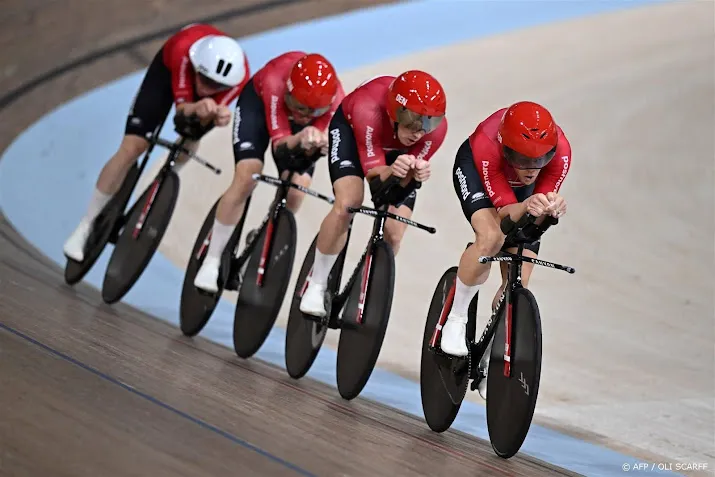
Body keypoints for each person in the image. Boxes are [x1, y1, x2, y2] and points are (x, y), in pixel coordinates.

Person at [63, 23, 250, 262]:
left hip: (206, 82)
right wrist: (199, 106)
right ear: (197, 68)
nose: (206, 88)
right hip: (167, 73)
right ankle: (85, 225)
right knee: (133, 146)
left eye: (216, 86)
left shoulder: (239, 77)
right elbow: (181, 111)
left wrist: (218, 114)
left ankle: (166, 179)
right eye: (204, 79)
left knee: (192, 134)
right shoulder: (183, 53)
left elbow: (206, 113)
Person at [441, 100, 571, 398]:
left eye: (540, 160)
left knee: (518, 283)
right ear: (506, 148)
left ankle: (491, 354)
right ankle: (456, 317)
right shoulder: (488, 146)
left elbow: (537, 204)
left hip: (520, 194)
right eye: (522, 159)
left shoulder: (561, 153)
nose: (531, 168)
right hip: (479, 173)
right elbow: (502, 216)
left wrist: (551, 207)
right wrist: (527, 205)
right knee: (491, 238)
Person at [298, 71, 448, 318]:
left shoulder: (436, 133)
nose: (419, 132)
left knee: (394, 232)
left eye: (428, 123)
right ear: (394, 112)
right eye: (412, 121)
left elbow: (399, 188)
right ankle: (317, 283)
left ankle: (368, 292)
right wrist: (394, 170)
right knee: (348, 203)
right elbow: (376, 180)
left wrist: (414, 175)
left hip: (392, 154)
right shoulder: (367, 109)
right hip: (353, 135)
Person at [193, 51, 345, 293]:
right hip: (260, 111)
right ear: (289, 92)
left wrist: (317, 140)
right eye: (299, 107)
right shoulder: (275, 81)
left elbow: (315, 138)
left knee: (295, 193)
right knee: (247, 176)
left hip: (298, 130)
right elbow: (281, 147)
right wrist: (303, 135)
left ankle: (262, 234)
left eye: (313, 112)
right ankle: (211, 259)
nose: (304, 115)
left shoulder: (335, 101)